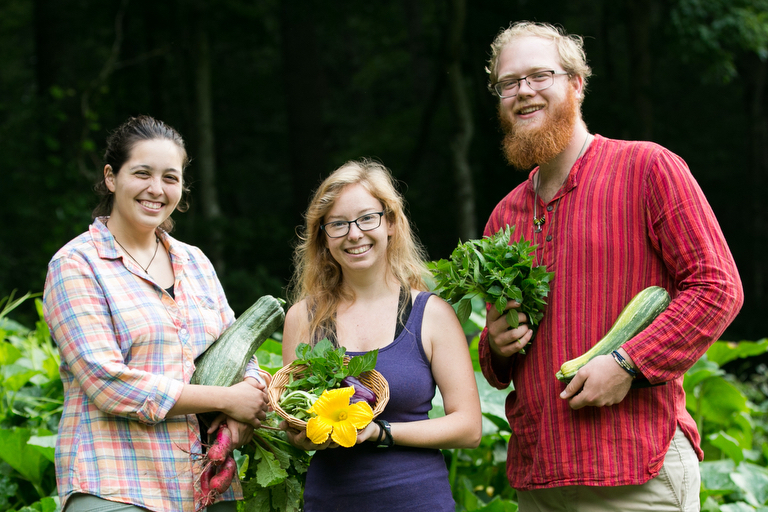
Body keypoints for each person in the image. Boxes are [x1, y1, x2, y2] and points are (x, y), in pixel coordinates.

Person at [479, 21, 744, 511]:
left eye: (540, 76)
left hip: (634, 470)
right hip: (539, 477)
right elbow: (499, 369)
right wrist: (495, 344)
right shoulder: (505, 215)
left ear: (576, 83)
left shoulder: (647, 168)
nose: (523, 92)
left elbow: (717, 287)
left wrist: (629, 364)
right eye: (508, 83)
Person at [43, 115, 271, 512]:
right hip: (116, 483)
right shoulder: (76, 265)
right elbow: (108, 382)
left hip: (205, 482)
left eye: (170, 177)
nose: (156, 189)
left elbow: (240, 347)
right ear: (111, 177)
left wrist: (243, 409)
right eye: (142, 173)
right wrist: (227, 398)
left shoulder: (194, 262)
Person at [281, 159, 482, 512]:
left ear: (390, 223)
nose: (354, 234)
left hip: (418, 501)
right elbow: (294, 421)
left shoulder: (431, 314)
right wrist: (302, 435)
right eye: (338, 224)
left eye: (366, 218)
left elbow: (468, 427)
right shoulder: (303, 318)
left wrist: (380, 432)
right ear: (323, 237)